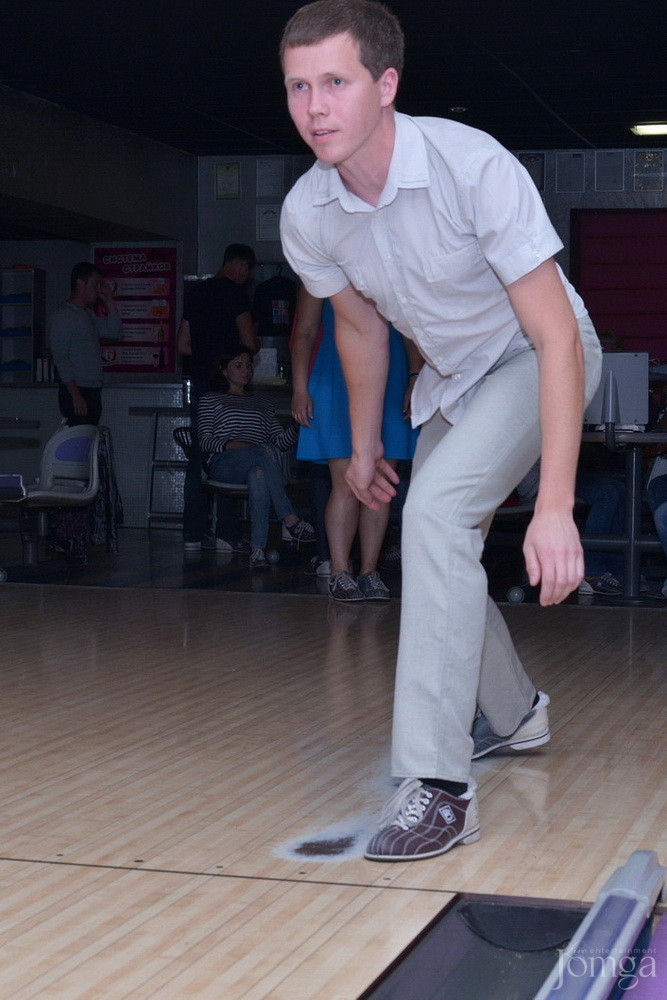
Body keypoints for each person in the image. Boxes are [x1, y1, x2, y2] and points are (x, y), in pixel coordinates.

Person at [279, 0, 602, 862]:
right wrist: (362, 446)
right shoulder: (310, 211)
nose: (315, 107)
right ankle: (516, 715)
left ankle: (438, 786)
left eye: (335, 83)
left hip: (540, 355)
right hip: (452, 379)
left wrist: (556, 505)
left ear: (385, 86)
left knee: (430, 518)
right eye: (298, 87)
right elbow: (357, 328)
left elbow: (556, 334)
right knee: (435, 542)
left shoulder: (470, 166)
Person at [290, 287, 419, 600]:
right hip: (335, 375)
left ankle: (369, 572)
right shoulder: (322, 268)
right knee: (344, 482)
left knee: (381, 485)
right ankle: (339, 571)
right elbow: (304, 332)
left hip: (391, 375)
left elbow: (411, 331)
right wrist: (300, 388)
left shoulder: (393, 263)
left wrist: (415, 378)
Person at [197, 349, 315, 569]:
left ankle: (258, 551)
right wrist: (236, 445)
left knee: (259, 473)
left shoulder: (263, 403)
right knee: (263, 451)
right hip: (224, 462)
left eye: (249, 365)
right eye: (238, 365)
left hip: (259, 459)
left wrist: (298, 424)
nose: (246, 371)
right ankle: (290, 519)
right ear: (224, 371)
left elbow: (280, 441)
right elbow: (204, 440)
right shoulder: (210, 399)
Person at [177, 244, 260, 554]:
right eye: (247, 271)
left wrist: (208, 355)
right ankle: (227, 534)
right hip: (226, 392)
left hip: (199, 386)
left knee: (198, 458)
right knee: (227, 457)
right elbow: (249, 342)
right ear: (240, 266)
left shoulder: (197, 293)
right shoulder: (236, 294)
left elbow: (182, 345)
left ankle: (192, 535)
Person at [49, 262, 122, 426]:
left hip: (93, 388)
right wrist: (75, 395)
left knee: (88, 439)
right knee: (79, 439)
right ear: (80, 283)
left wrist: (108, 300)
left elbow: (115, 332)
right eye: (95, 284)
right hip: (77, 389)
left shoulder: (88, 315)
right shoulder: (63, 316)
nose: (98, 289)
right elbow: (61, 358)